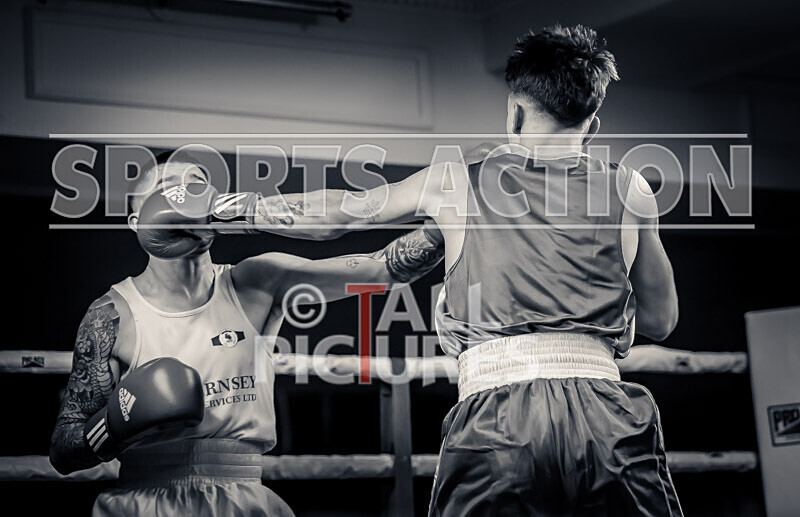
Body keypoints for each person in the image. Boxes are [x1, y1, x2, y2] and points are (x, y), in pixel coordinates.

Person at [255, 24, 683, 516]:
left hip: (498, 413)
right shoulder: (632, 189)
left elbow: (340, 214)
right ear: (594, 125)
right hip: (608, 414)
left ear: (515, 111)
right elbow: (661, 320)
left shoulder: (458, 178)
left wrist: (234, 210)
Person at [49, 159, 445, 516]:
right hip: (141, 501)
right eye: (169, 187)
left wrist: (452, 220)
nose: (187, 194)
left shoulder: (256, 281)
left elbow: (382, 269)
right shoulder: (110, 316)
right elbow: (64, 450)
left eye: (197, 184)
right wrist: (116, 425)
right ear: (137, 221)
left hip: (242, 497)